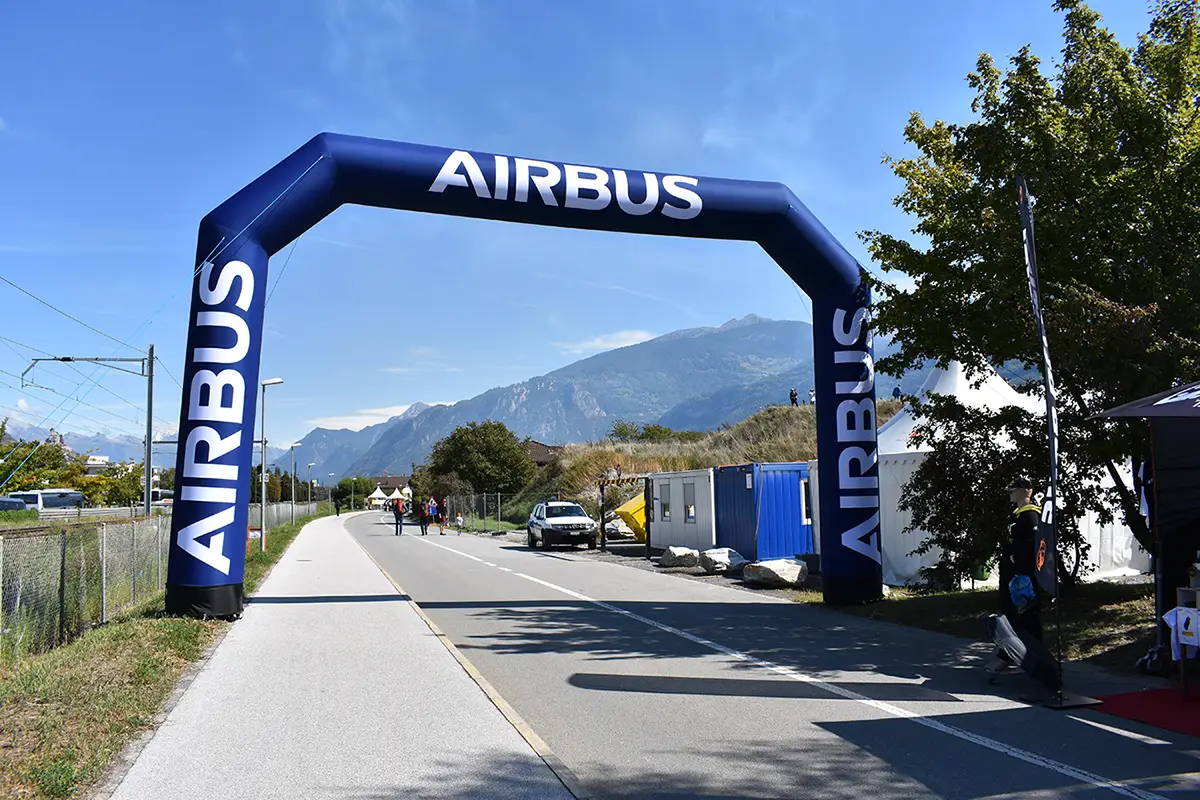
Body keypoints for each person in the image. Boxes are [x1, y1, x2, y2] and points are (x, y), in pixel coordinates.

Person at [998, 477, 1043, 642]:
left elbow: (1032, 543)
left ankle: (1032, 647)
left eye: (1014, 490)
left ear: (1026, 491)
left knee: (1027, 611)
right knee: (1010, 610)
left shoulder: (1030, 515)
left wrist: (1016, 558)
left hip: (1023, 572)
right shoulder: (1017, 515)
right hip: (1011, 571)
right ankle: (1012, 646)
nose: (1011, 494)